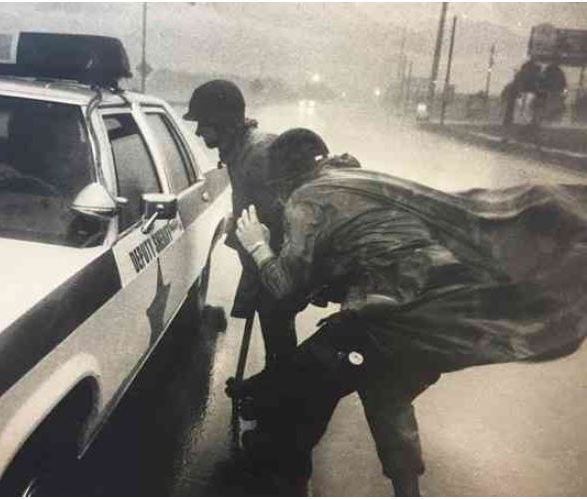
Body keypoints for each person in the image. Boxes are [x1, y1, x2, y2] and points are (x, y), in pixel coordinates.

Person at [231, 128, 587, 495]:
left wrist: (258, 246)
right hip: (435, 310)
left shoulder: (307, 200)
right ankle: (407, 490)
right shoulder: (352, 178)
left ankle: (288, 476)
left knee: (310, 381)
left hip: (394, 316)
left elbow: (288, 293)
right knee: (386, 395)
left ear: (284, 180)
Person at [183, 80, 298, 366]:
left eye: (203, 124)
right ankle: (277, 390)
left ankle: (281, 398)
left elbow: (282, 218)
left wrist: (265, 263)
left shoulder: (257, 155)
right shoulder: (240, 151)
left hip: (274, 265)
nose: (198, 132)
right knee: (277, 335)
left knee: (279, 337)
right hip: (264, 263)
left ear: (223, 124)